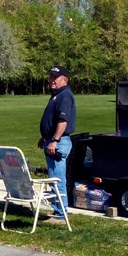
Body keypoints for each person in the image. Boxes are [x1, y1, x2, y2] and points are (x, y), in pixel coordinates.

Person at [38, 65, 76, 224]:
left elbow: (63, 121)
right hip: (53, 140)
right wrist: (45, 137)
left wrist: (54, 140)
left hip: (59, 142)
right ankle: (58, 210)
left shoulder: (64, 95)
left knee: (57, 179)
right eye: (51, 77)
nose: (52, 80)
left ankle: (61, 214)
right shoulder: (57, 94)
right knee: (54, 177)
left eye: (55, 77)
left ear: (64, 80)